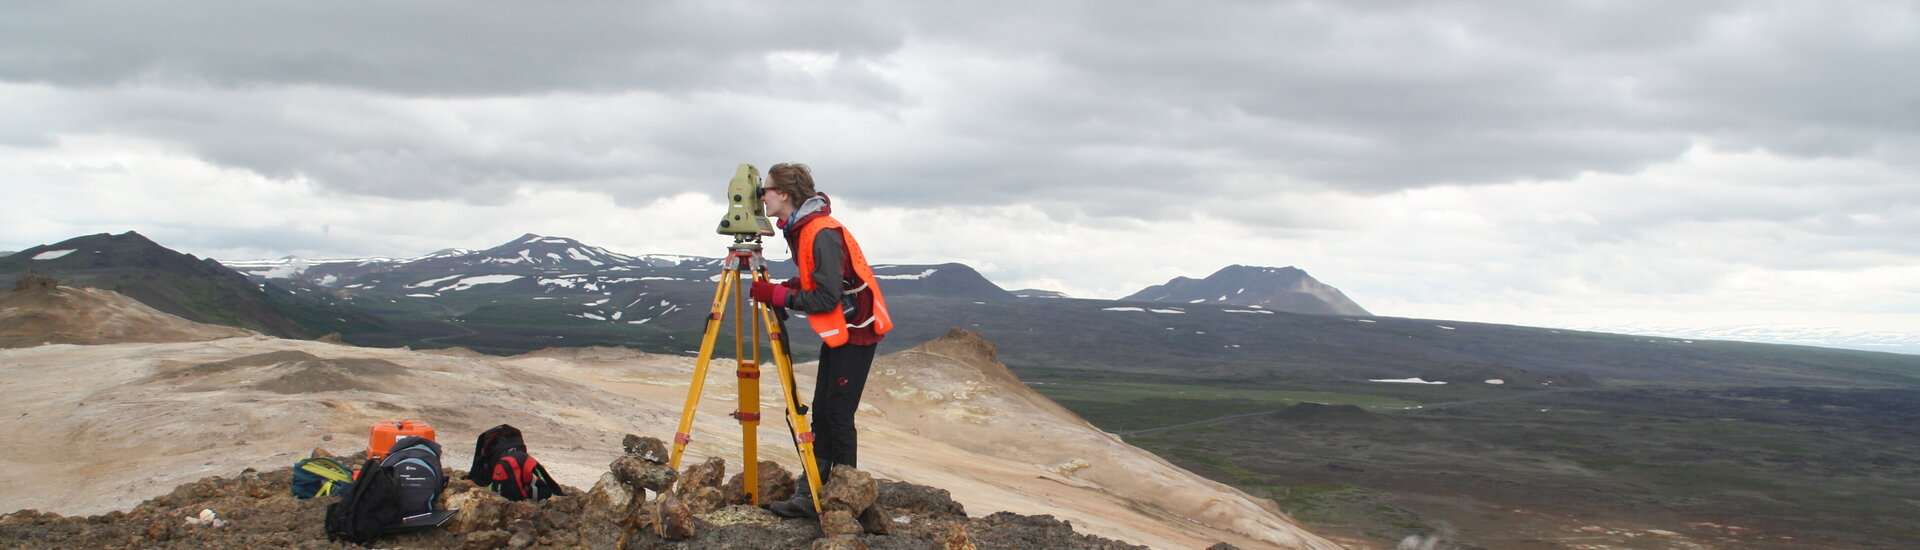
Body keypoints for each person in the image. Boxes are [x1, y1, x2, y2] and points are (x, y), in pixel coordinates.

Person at [748, 162, 894, 518]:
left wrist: (776, 295)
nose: (760, 196)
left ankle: (845, 502)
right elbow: (821, 281)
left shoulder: (819, 230)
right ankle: (812, 490)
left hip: (857, 331)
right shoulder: (802, 228)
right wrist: (787, 287)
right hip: (842, 331)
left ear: (783, 193)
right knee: (824, 414)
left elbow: (826, 298)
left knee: (838, 416)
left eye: (764, 190)